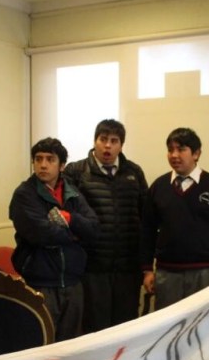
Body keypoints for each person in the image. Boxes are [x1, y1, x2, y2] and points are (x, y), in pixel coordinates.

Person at [140, 127, 209, 310]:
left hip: (206, 272)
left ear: (196, 154)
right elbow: (147, 229)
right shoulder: (159, 187)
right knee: (167, 327)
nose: (174, 155)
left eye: (181, 149)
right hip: (167, 272)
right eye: (170, 150)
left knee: (204, 327)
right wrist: (147, 269)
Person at [9, 137, 99, 341]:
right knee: (41, 345)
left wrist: (69, 218)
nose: (43, 165)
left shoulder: (72, 192)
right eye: (38, 159)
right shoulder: (24, 194)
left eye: (50, 159)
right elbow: (40, 234)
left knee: (70, 347)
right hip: (40, 283)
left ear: (62, 165)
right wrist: (76, 234)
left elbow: (93, 229)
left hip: (73, 282)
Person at [63, 119, 148, 334]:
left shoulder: (134, 172)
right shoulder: (76, 172)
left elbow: (145, 215)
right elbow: (67, 214)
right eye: (103, 140)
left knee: (126, 327)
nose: (107, 146)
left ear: (121, 145)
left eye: (114, 141)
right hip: (93, 266)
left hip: (127, 267)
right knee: (96, 327)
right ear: (95, 141)